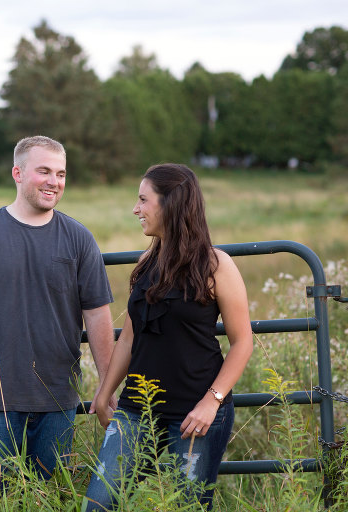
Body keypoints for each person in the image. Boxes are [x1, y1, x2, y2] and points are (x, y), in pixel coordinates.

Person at [0, 135, 115, 486]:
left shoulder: (79, 239)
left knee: (47, 495)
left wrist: (106, 387)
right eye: (44, 171)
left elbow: (97, 315)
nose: (54, 182)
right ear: (17, 173)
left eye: (61, 174)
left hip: (57, 399)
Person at [84, 163, 253, 511]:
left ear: (171, 204)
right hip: (136, 410)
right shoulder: (147, 262)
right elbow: (129, 338)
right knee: (98, 503)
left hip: (195, 413)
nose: (136, 209)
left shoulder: (216, 265)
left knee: (185, 507)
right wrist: (105, 392)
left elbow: (242, 342)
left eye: (143, 200)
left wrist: (212, 402)